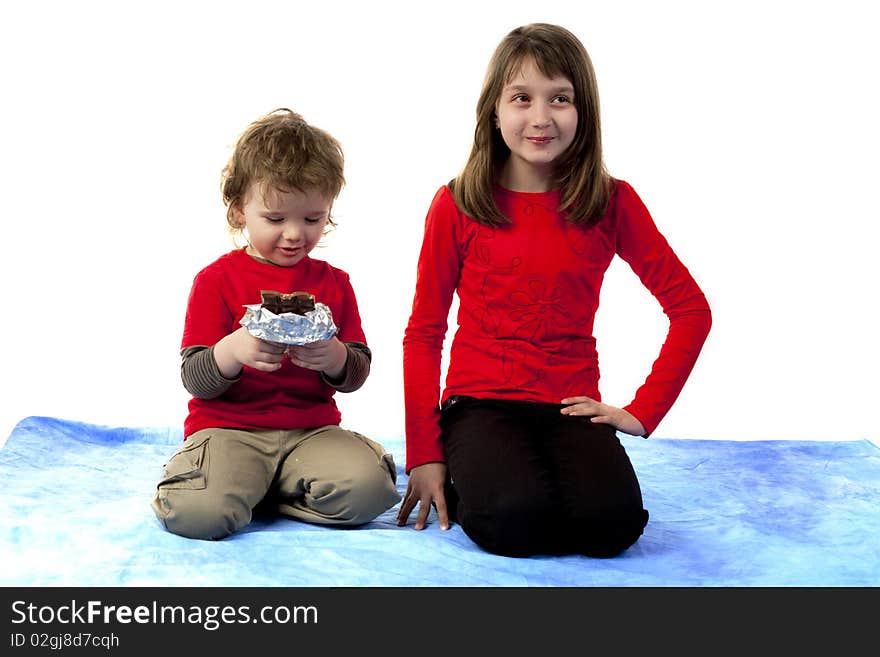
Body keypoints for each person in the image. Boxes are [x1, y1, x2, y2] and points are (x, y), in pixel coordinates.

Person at [397, 24, 711, 558]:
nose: (541, 118)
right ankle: (468, 469)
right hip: (481, 401)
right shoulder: (457, 204)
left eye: (560, 99)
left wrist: (642, 411)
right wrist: (424, 455)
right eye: (522, 98)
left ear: (582, 112)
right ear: (494, 111)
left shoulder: (613, 203)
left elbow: (690, 310)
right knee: (514, 525)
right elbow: (424, 333)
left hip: (569, 404)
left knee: (612, 527)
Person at [152, 109, 401, 540]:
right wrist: (233, 352)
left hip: (312, 432)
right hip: (232, 431)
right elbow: (195, 377)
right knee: (198, 515)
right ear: (238, 211)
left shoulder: (334, 283)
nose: (293, 234)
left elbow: (356, 371)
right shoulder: (216, 281)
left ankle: (264, 495)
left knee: (371, 493)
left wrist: (335, 356)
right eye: (275, 218)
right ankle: (227, 482)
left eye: (311, 219)